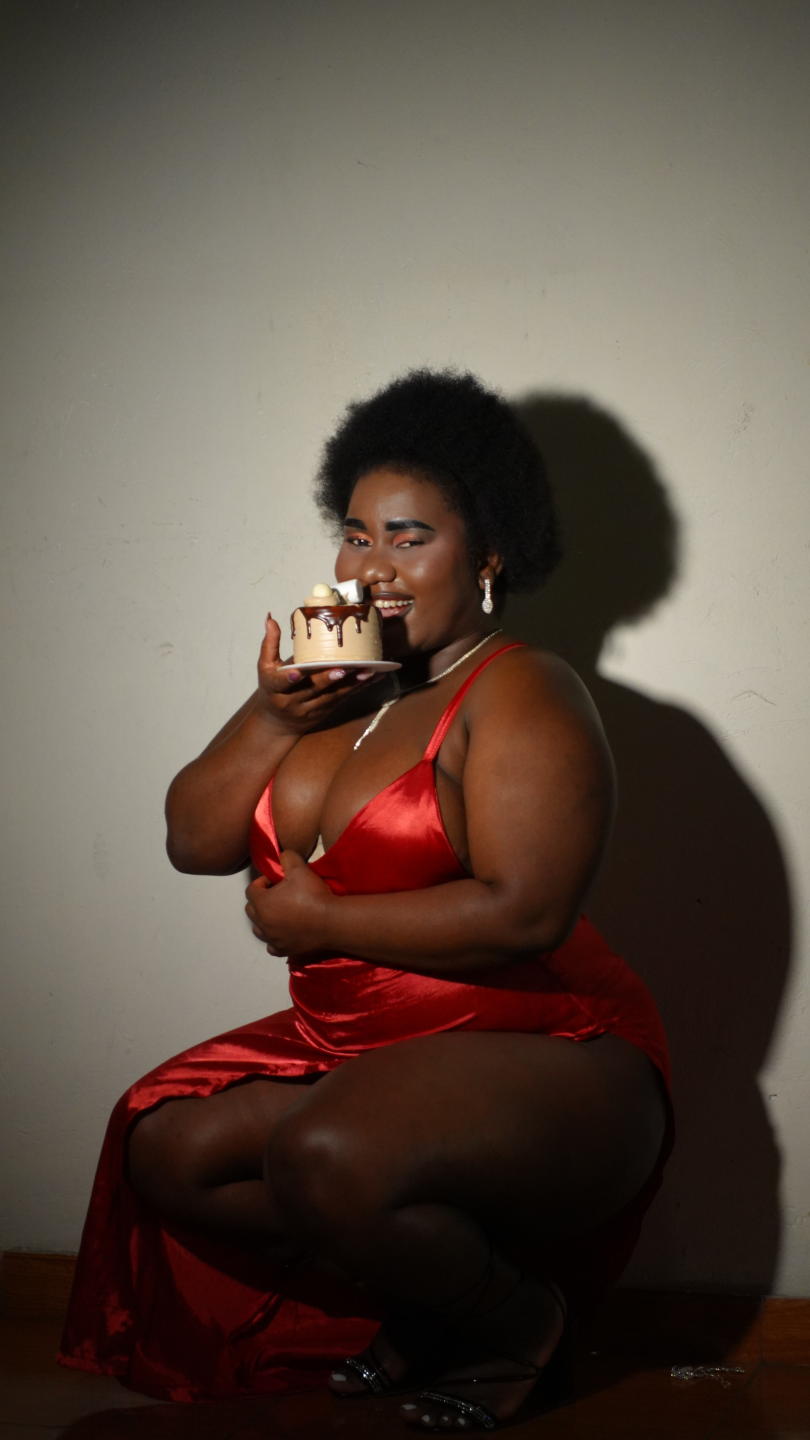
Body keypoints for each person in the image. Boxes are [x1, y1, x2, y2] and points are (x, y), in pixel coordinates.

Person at [59, 370, 671, 1429]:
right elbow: (193, 842)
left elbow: (527, 915)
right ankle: (429, 1299)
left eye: (408, 537)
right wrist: (271, 714)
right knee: (168, 1149)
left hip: (553, 1049)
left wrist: (321, 922)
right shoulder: (344, 688)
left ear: (487, 555)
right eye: (355, 535)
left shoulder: (524, 690)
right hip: (359, 1049)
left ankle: (517, 1319)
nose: (371, 566)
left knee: (323, 1154)